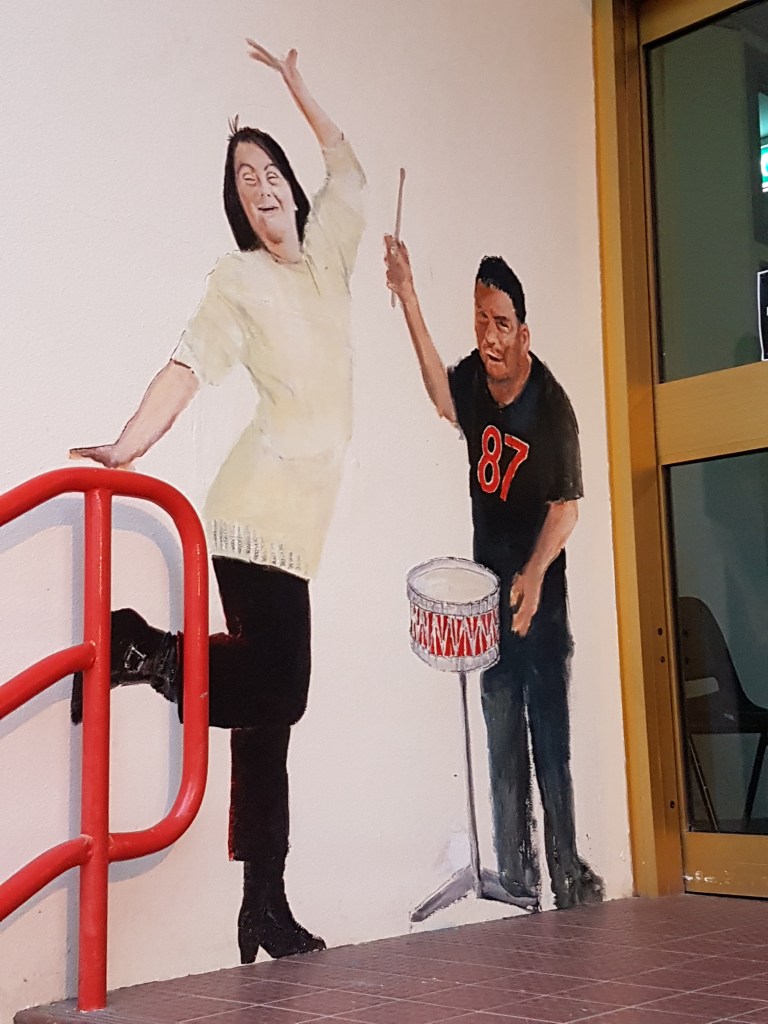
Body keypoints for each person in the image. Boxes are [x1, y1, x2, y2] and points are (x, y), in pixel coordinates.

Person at [70, 38, 365, 963]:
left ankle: (261, 908)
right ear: (238, 207)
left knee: (268, 723)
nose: (261, 185)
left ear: (291, 186)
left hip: (298, 530)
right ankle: (141, 646)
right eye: (244, 179)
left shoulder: (329, 259)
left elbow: (349, 166)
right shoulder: (238, 282)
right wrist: (127, 444)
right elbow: (187, 366)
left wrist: (298, 86)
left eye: (269, 169)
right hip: (251, 516)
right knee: (284, 690)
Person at [384, 239, 603, 911]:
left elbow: (566, 507)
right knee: (501, 735)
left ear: (523, 332)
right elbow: (439, 394)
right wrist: (408, 296)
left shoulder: (552, 405)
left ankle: (569, 874)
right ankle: (517, 875)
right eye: (480, 319)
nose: (489, 336)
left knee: (550, 744)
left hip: (541, 602)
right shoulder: (476, 385)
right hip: (489, 600)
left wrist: (534, 573)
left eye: (501, 323)